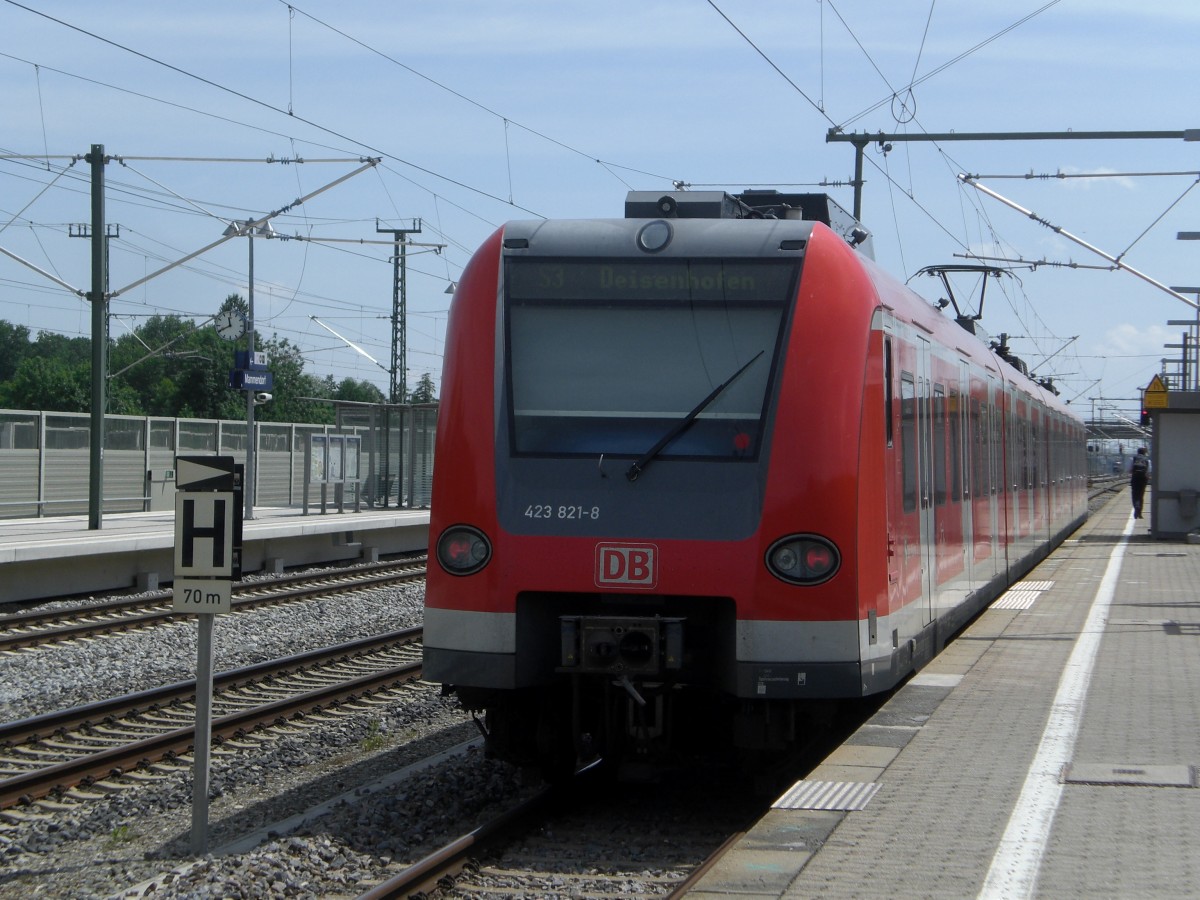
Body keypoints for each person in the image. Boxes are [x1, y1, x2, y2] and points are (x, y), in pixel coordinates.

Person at [1129, 447, 1150, 519]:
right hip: (1143, 478)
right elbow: (1148, 471)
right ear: (1144, 453)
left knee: (1135, 494)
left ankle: (1136, 507)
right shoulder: (1147, 459)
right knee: (1141, 495)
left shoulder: (1134, 458)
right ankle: (1140, 512)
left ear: (1137, 452)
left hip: (1135, 477)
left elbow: (1131, 469)